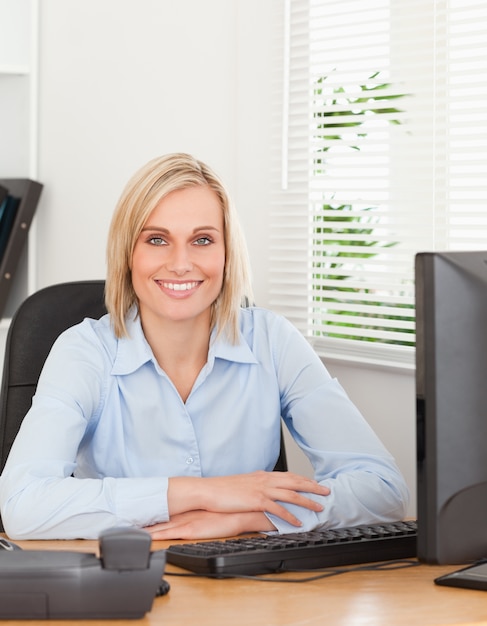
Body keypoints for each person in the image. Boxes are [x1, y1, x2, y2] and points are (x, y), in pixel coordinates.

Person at [0, 153, 409, 540]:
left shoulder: (272, 340)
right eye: (157, 240)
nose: (180, 263)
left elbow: (383, 489)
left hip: (247, 584)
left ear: (228, 253)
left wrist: (251, 517)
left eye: (202, 240)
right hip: (122, 576)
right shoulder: (83, 352)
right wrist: (202, 494)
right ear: (127, 253)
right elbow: (22, 505)